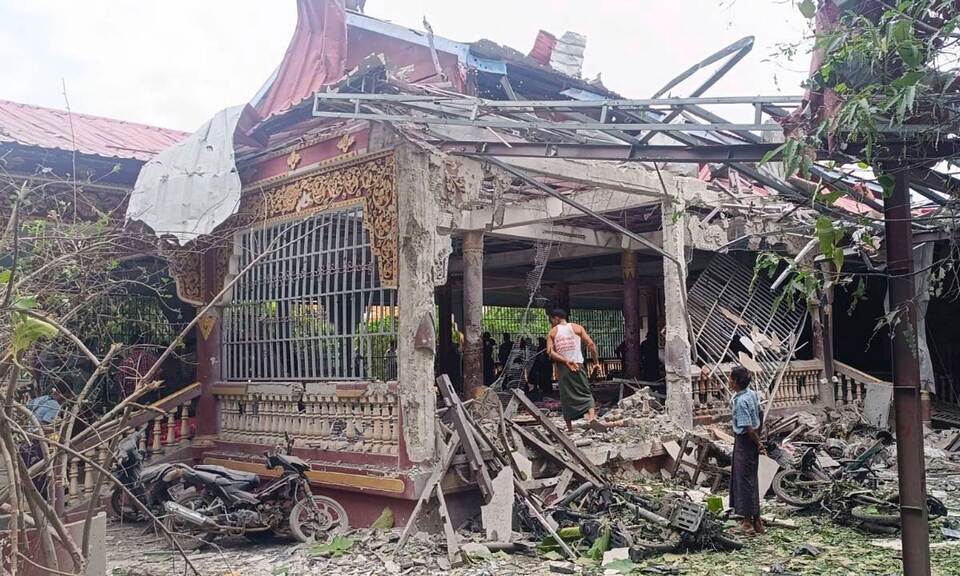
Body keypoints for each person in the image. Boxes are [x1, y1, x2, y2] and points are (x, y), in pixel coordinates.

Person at [546, 309, 603, 431]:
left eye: (551, 320)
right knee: (585, 392)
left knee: (566, 396)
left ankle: (570, 428)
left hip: (563, 368)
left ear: (556, 318)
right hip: (578, 365)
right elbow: (591, 345)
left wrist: (566, 361)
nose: (551, 322)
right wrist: (596, 363)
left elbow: (550, 352)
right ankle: (591, 418)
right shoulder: (577, 328)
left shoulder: (552, 332)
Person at [728, 365, 765, 534]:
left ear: (736, 382)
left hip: (745, 441)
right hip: (751, 440)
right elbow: (760, 414)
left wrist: (758, 443)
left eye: (731, 379)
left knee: (743, 481)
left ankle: (747, 522)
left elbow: (748, 428)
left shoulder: (742, 401)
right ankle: (757, 521)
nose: (729, 381)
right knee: (751, 479)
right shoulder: (752, 394)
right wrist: (759, 437)